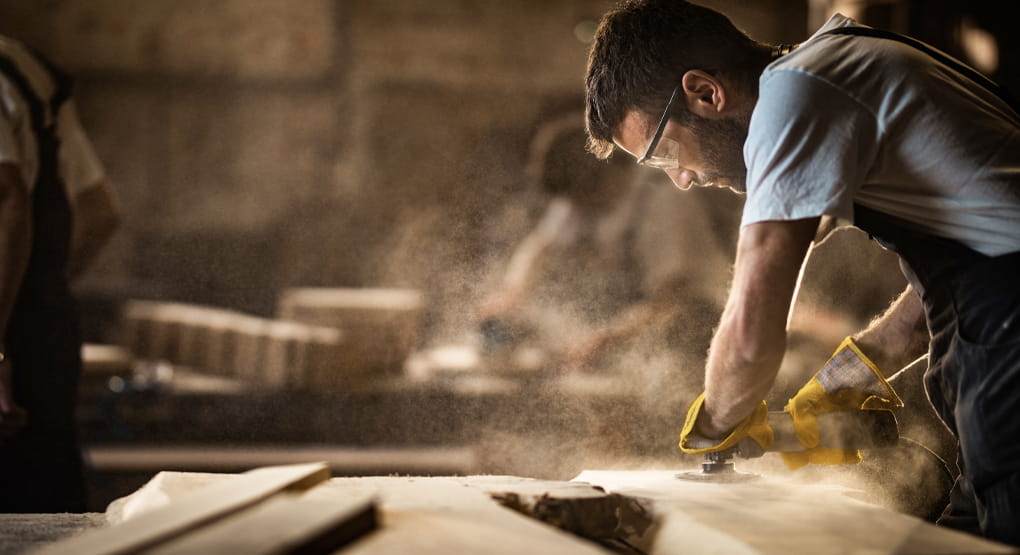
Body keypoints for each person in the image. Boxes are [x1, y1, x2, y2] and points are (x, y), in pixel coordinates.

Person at [584, 0, 1019, 546]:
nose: (682, 180)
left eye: (664, 151)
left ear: (705, 93)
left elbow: (750, 338)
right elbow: (964, 272)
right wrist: (853, 375)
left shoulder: (794, 95)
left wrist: (715, 430)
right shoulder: (833, 70)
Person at [476, 112, 738, 403]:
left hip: (700, 324)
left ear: (612, 176)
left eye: (583, 200)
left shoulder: (663, 199)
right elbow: (542, 248)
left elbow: (672, 299)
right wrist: (513, 293)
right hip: (637, 323)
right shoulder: (582, 194)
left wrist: (604, 340)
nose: (577, 209)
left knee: (668, 397)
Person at [0, 35, 120, 512]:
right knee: (49, 505)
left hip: (11, 344)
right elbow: (101, 212)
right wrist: (40, 298)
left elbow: (9, 195)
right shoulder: (26, 69)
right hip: (41, 332)